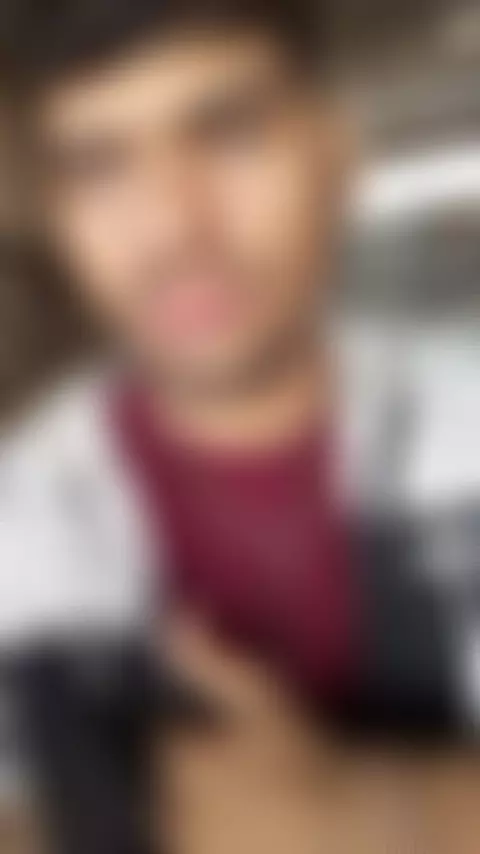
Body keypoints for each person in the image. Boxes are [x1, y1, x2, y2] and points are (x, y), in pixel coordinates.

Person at [0, 1, 479, 852]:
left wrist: (385, 815)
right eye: (98, 168)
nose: (174, 227)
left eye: (229, 134)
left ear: (336, 152)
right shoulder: (21, 515)